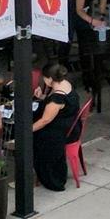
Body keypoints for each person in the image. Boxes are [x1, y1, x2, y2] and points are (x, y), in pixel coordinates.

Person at [30, 62, 82, 192]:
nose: (43, 79)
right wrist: (42, 97)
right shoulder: (66, 84)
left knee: (34, 137)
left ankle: (48, 177)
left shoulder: (57, 98)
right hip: (71, 124)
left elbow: (45, 120)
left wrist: (27, 131)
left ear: (50, 79)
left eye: (45, 77)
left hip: (59, 131)